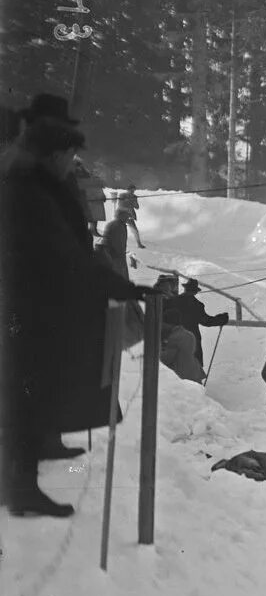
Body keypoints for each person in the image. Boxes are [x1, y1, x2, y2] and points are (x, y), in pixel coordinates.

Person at [0, 94, 149, 517]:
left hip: (35, 307)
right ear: (56, 152)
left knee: (35, 392)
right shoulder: (28, 188)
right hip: (28, 310)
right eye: (69, 155)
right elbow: (68, 258)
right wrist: (125, 290)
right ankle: (20, 486)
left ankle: (26, 471)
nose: (73, 164)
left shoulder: (32, 180)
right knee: (26, 393)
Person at [174, 278, 230, 366]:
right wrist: (221, 319)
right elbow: (206, 321)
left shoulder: (174, 301)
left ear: (185, 288)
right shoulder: (196, 305)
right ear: (195, 291)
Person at [159, 304, 206, 384]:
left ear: (170, 324)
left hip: (183, 375)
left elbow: (167, 359)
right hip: (194, 372)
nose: (162, 326)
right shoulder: (189, 334)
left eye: (164, 323)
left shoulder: (174, 337)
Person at [94, 206, 134, 280]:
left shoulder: (121, 225)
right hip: (112, 257)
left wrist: (130, 256)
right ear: (121, 215)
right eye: (127, 216)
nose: (128, 218)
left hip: (118, 258)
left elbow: (121, 245)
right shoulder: (115, 225)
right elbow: (107, 243)